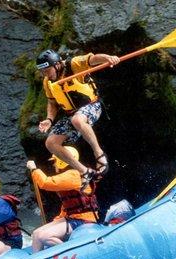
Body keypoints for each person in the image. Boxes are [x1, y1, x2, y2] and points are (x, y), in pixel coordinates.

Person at [35, 49, 120, 189]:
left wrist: (108, 57)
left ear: (57, 65)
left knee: (78, 120)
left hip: (92, 106)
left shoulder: (73, 65)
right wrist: (49, 119)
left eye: (47, 70)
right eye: (43, 72)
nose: (45, 74)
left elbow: (92, 59)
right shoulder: (47, 82)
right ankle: (84, 171)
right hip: (72, 114)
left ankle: (99, 154)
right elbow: (52, 103)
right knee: (50, 143)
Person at [26, 146, 99, 252]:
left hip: (84, 219)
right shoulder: (70, 175)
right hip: (73, 217)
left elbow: (45, 183)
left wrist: (34, 169)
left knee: (44, 236)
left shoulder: (73, 174)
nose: (54, 164)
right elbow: (67, 204)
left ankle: (74, 254)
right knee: (36, 234)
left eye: (55, 161)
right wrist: (58, 220)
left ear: (62, 161)